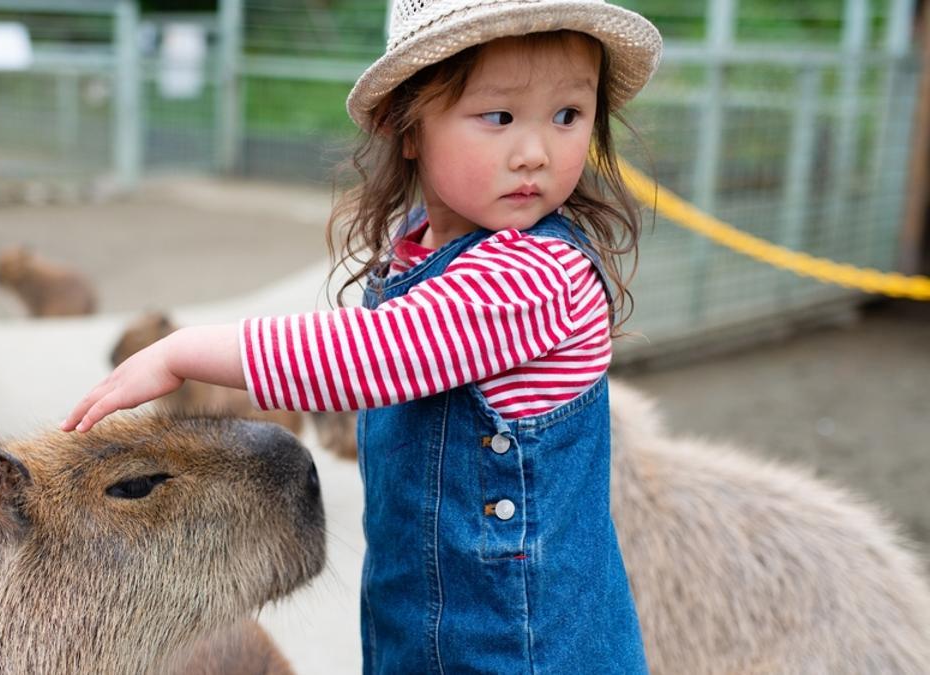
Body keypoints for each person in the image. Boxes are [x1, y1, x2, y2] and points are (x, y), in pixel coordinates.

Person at [63, 0, 662, 671]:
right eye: (499, 116)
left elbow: (366, 353)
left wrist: (183, 351)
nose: (535, 152)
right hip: (424, 620)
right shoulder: (421, 247)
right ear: (404, 125)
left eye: (567, 116)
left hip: (524, 648)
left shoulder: (532, 273)